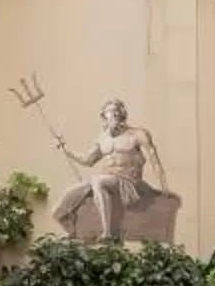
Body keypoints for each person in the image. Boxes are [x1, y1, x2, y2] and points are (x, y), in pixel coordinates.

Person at [50, 97, 168, 240]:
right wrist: (65, 150)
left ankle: (107, 233)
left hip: (129, 182)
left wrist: (164, 187)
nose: (115, 114)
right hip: (106, 180)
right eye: (111, 111)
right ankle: (69, 227)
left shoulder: (137, 134)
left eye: (117, 111)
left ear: (123, 114)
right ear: (104, 116)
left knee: (97, 181)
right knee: (67, 197)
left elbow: (155, 161)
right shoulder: (102, 138)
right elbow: (87, 160)